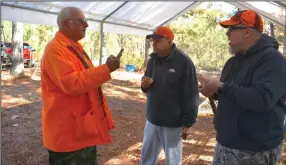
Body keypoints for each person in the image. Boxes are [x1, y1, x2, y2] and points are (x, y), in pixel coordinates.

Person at [198, 10, 286, 165]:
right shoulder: (232, 62)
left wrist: (220, 86)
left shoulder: (273, 60)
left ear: (247, 32)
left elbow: (262, 99)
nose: (227, 34)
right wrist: (214, 92)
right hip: (226, 143)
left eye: (232, 29)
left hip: (253, 149)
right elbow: (231, 91)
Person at [41, 7, 121, 165]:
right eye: (82, 21)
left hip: (82, 129)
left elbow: (86, 79)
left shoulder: (74, 47)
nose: (86, 25)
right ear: (66, 23)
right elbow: (72, 83)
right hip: (67, 135)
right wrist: (106, 69)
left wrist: (104, 68)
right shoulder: (55, 49)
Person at [140, 26, 200, 165]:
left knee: (173, 160)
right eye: (152, 40)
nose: (153, 43)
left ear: (169, 41)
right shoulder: (152, 60)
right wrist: (144, 85)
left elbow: (191, 94)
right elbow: (145, 82)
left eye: (157, 39)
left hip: (172, 121)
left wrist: (187, 123)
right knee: (147, 157)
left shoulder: (184, 62)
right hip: (152, 118)